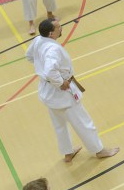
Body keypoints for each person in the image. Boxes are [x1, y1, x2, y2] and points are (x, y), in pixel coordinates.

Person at [26, 19, 119, 162]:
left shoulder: (38, 40)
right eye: (58, 27)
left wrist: (41, 64)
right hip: (62, 93)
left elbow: (29, 56)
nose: (61, 28)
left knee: (59, 125)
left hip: (47, 92)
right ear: (51, 33)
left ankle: (68, 153)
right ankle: (99, 150)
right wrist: (60, 82)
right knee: (83, 122)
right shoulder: (53, 49)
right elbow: (50, 71)